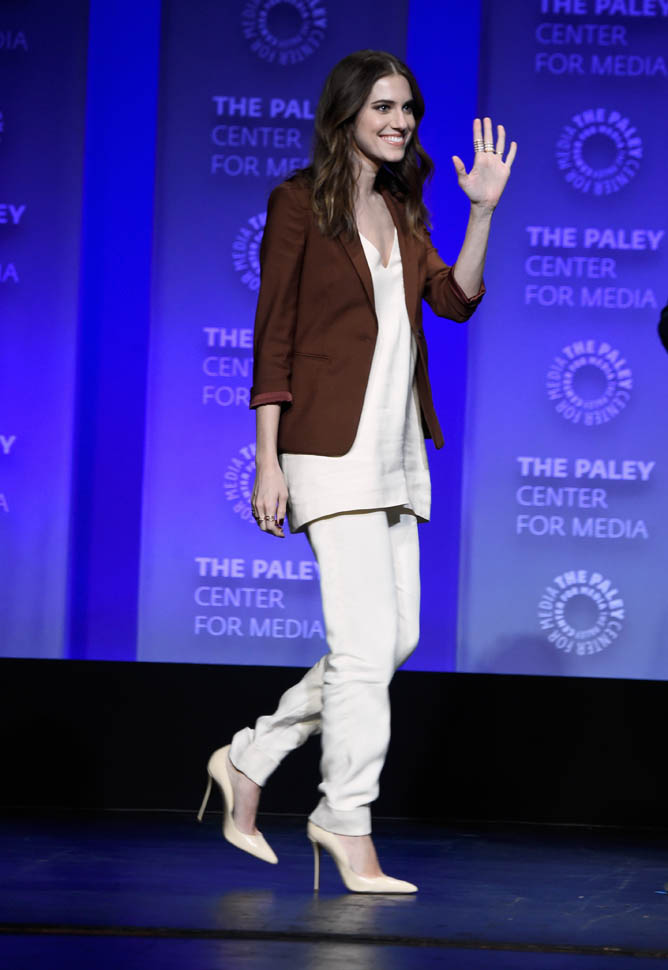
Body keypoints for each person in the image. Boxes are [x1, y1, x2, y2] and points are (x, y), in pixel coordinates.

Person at [198, 49, 516, 893]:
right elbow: (272, 333)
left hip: (394, 448)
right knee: (366, 651)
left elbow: (454, 300)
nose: (400, 121)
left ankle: (249, 757)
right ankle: (345, 819)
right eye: (383, 107)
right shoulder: (298, 202)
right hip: (324, 449)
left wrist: (482, 212)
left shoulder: (402, 205)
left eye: (407, 108)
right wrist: (267, 459)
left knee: (392, 641)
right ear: (345, 114)